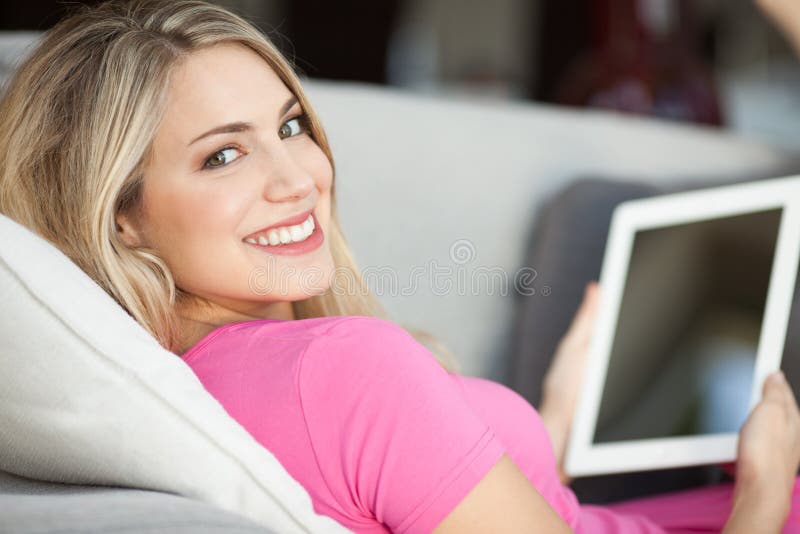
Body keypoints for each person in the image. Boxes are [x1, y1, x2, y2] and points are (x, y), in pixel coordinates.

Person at [0, 0, 798, 532]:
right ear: (120, 218)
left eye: (289, 126)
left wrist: (540, 427)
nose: (298, 177)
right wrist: (764, 489)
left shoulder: (222, 382)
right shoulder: (340, 371)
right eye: (223, 155)